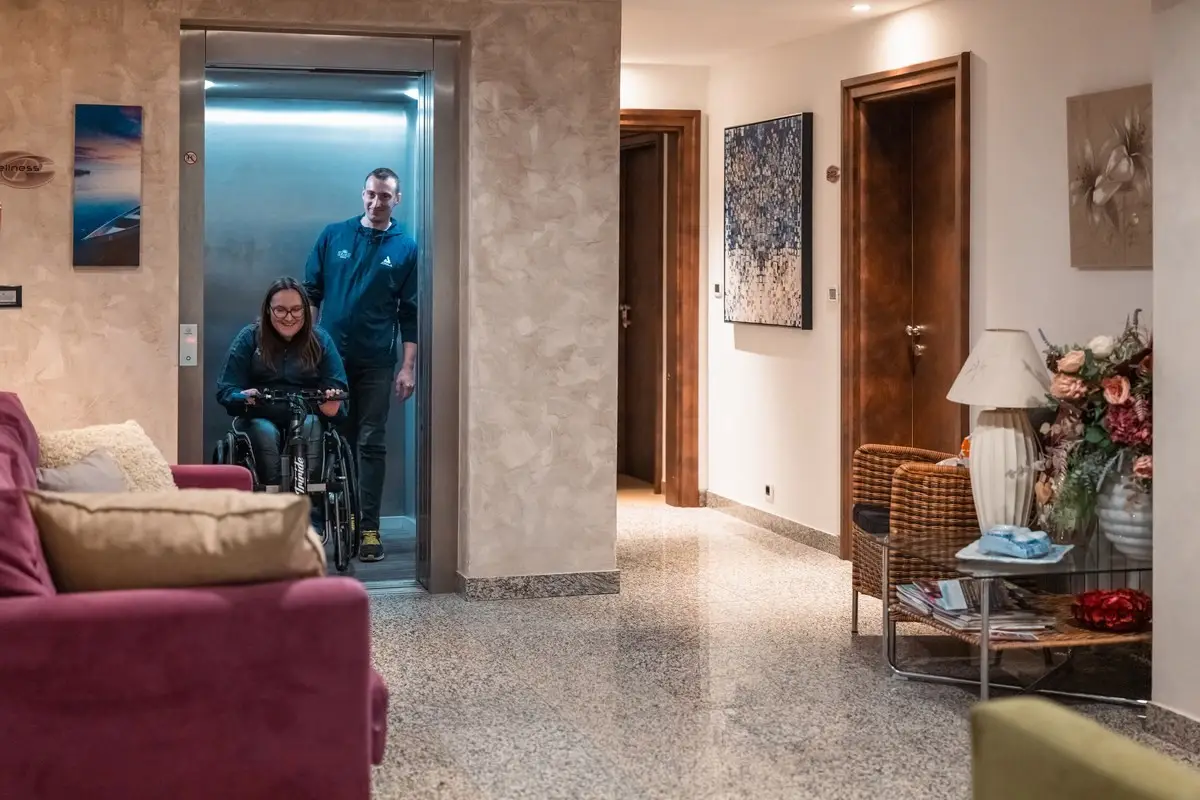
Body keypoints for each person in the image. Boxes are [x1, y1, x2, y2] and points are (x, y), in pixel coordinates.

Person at [303, 167, 417, 563]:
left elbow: (410, 313)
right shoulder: (333, 235)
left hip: (376, 363)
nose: (376, 202)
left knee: (371, 443)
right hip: (331, 362)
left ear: (396, 199)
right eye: (371, 194)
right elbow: (311, 294)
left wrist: (408, 367)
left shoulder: (406, 247)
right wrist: (309, 350)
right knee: (330, 439)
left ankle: (368, 528)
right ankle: (326, 523)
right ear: (362, 194)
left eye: (385, 196)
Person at [216, 277, 348, 492]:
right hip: (260, 414)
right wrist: (243, 397)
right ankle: (272, 496)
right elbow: (226, 390)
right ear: (268, 311)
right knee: (264, 431)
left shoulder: (321, 340)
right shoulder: (249, 338)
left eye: (296, 310)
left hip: (307, 414)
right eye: (280, 310)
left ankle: (308, 496)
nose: (289, 317)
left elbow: (339, 393)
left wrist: (333, 407)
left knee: (311, 426)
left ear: (305, 311)